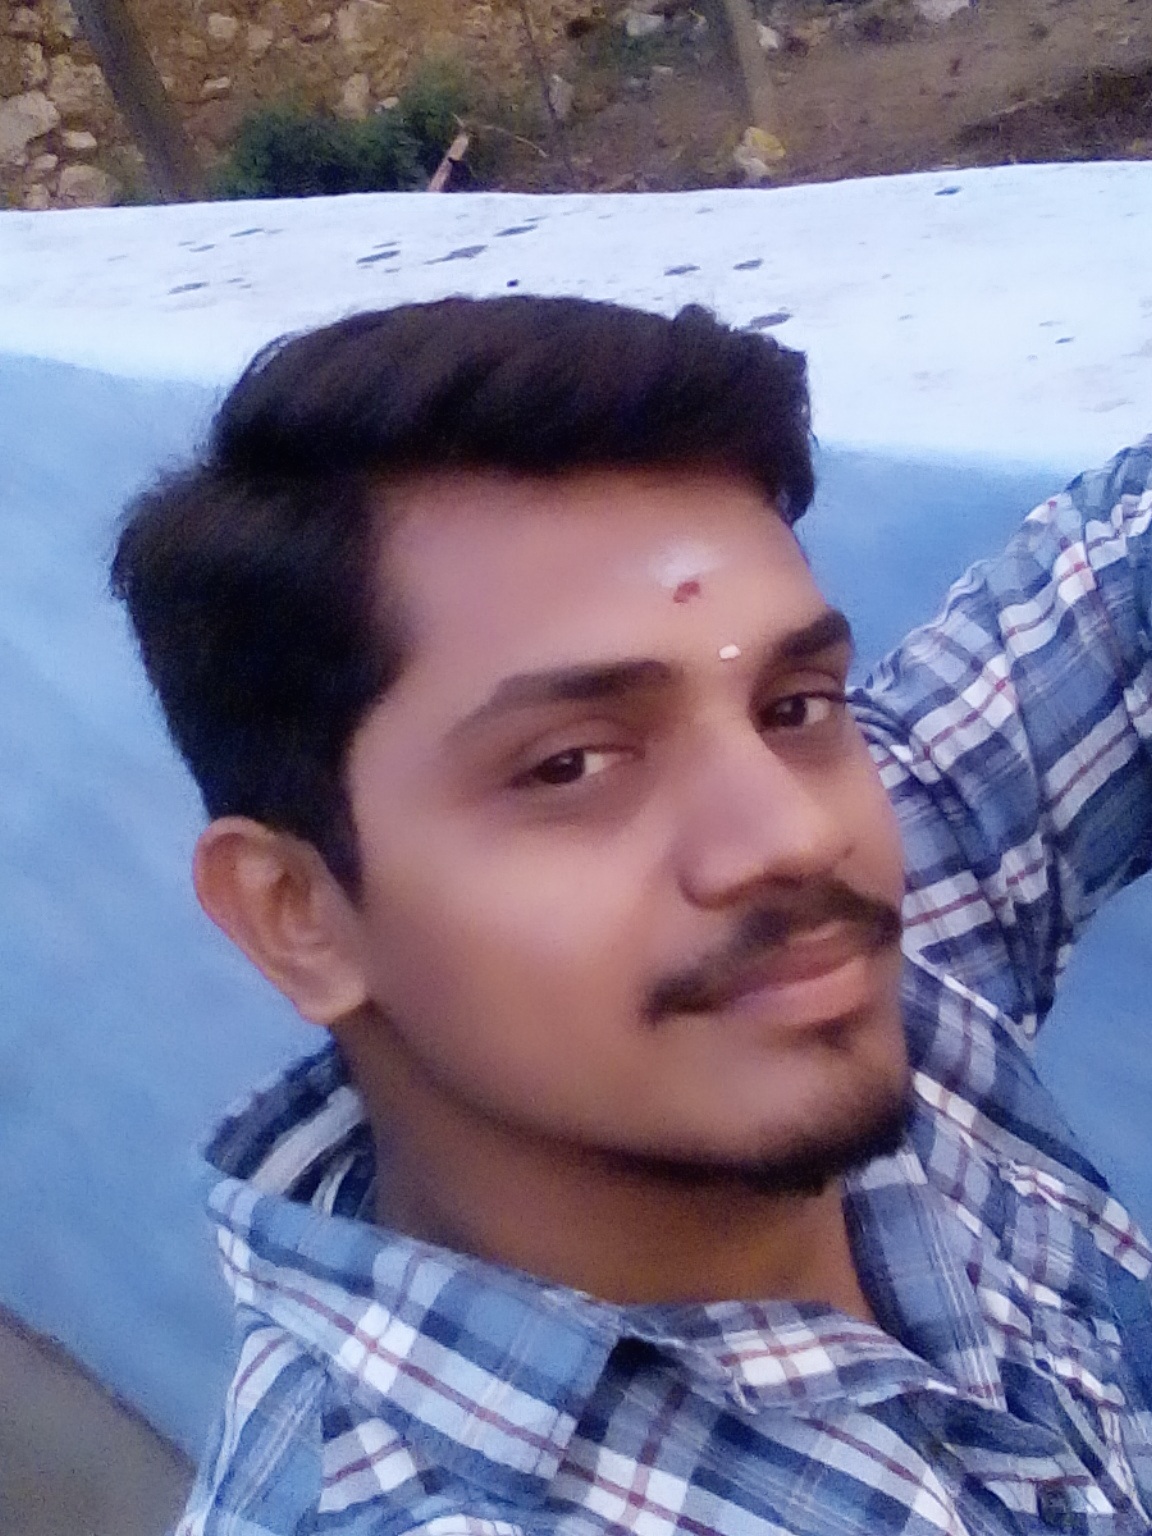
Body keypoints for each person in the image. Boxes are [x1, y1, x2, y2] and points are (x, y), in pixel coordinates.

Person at [110, 297, 1152, 1536]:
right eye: (571, 766)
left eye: (797, 705)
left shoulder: (844, 975)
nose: (793, 836)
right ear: (298, 916)